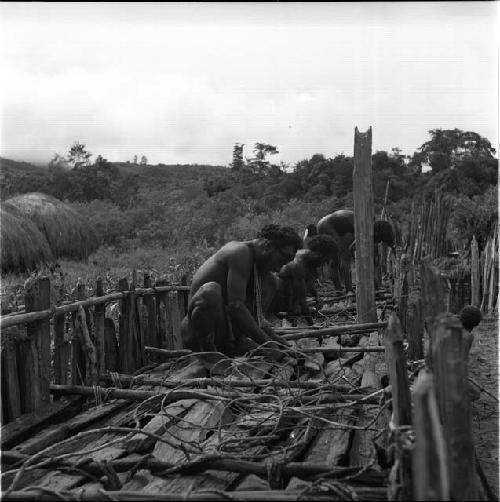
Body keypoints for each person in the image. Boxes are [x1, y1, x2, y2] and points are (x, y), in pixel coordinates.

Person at [180, 225, 302, 360]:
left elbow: (256, 320)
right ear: (268, 246)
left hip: (226, 336)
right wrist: (270, 345)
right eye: (280, 260)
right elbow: (236, 306)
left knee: (272, 281)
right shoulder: (240, 253)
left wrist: (278, 342)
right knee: (211, 291)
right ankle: (208, 354)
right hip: (196, 334)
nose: (279, 269)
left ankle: (233, 346)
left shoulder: (264, 276)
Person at [272, 234, 339, 325]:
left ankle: (293, 310)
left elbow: (309, 282)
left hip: (291, 290)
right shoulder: (299, 264)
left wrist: (316, 297)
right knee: (284, 284)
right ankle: (284, 312)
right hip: (277, 294)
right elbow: (301, 298)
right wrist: (311, 324)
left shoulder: (310, 260)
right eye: (326, 259)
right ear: (319, 254)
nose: (325, 262)